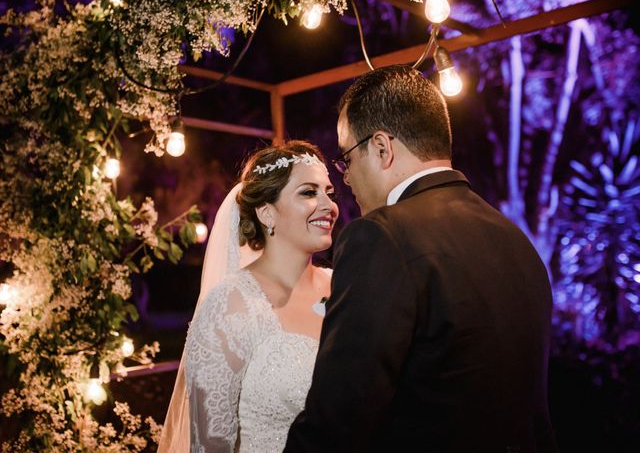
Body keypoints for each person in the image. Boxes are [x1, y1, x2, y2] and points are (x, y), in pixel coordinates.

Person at [285, 65, 558, 452]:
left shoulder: (381, 236)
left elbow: (339, 418)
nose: (345, 179)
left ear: (382, 148)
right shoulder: (514, 239)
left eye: (346, 159)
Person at [158, 140, 339, 453]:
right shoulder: (229, 306)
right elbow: (210, 446)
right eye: (309, 192)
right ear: (267, 213)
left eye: (329, 192)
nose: (329, 206)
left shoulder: (344, 286)